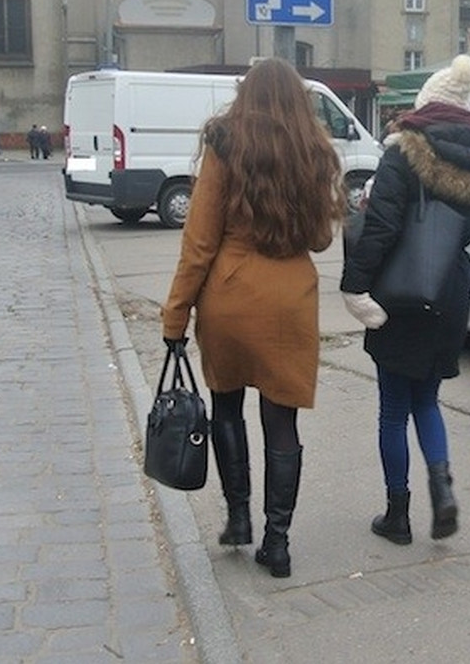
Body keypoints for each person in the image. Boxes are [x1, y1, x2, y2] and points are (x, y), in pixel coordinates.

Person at [161, 57, 347, 578]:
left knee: (226, 405)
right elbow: (319, 239)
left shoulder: (224, 144)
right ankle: (278, 542)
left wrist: (175, 315)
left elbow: (199, 243)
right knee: (280, 420)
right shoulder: (314, 153)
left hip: (229, 297)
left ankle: (238, 516)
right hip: (289, 301)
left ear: (246, 95)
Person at [340, 54, 470, 546]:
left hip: (401, 292)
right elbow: (465, 230)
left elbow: (383, 228)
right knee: (427, 401)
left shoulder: (403, 151)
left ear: (427, 103)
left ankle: (398, 515)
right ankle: (443, 491)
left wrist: (355, 284)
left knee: (393, 409)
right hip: (449, 290)